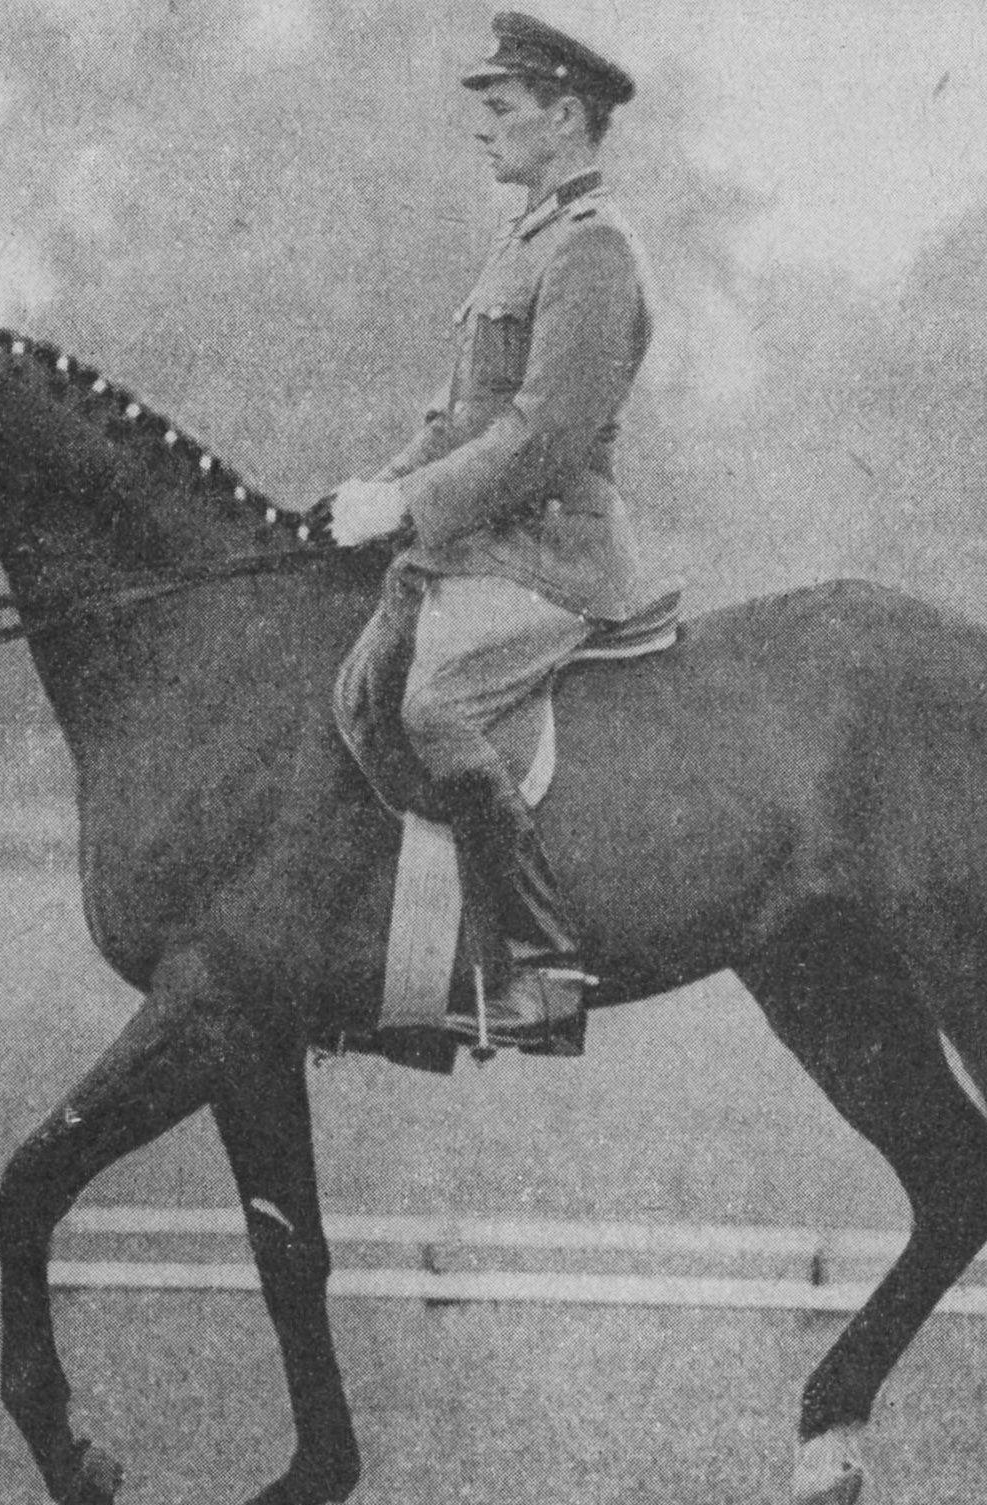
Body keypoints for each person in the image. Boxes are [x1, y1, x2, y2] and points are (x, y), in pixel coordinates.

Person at [329, 12, 652, 1055]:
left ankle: (548, 972)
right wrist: (374, 490)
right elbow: (461, 417)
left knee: (434, 703)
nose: (485, 130)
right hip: (485, 547)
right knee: (359, 688)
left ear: (566, 117)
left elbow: (545, 434)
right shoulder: (526, 240)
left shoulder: (595, 249)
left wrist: (413, 509)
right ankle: (423, 972)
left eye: (504, 110)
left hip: (554, 559)